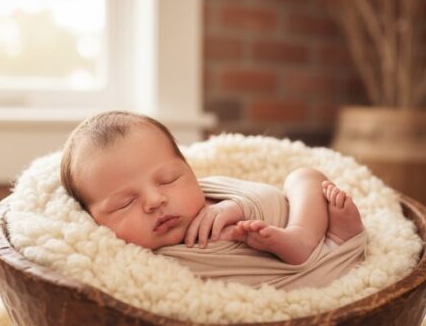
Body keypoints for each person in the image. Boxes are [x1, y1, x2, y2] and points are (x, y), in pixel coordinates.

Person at [60, 110, 367, 290]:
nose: (155, 200)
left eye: (168, 179)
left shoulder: (214, 196)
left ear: (190, 172)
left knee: (303, 177)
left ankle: (313, 235)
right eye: (124, 203)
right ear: (92, 220)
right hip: (300, 291)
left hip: (322, 248)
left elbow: (270, 197)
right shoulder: (138, 266)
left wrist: (237, 207)